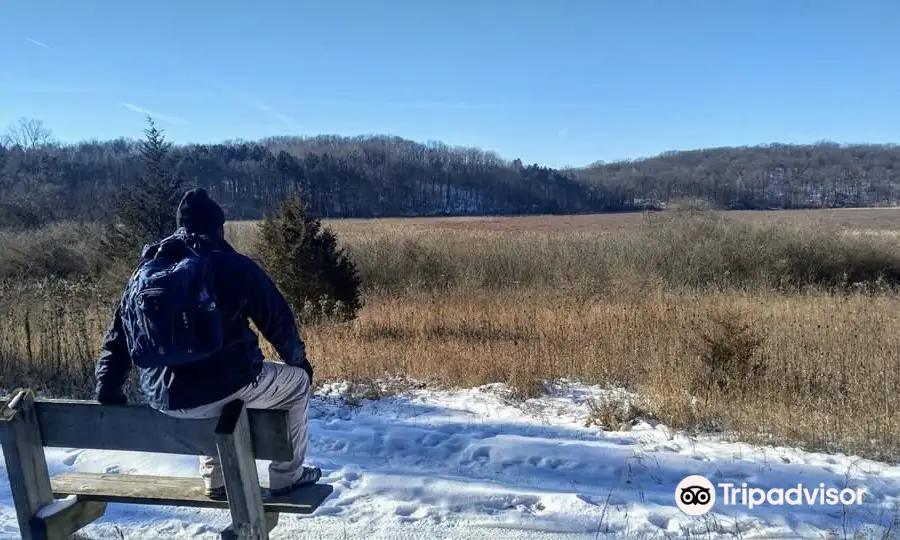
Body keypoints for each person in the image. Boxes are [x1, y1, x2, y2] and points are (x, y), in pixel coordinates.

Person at [94, 187, 321, 500]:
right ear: (218, 228)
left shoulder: (147, 273)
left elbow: (119, 336)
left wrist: (108, 388)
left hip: (164, 398)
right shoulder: (235, 266)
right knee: (295, 385)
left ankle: (216, 479)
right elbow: (277, 321)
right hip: (226, 385)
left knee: (207, 385)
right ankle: (288, 476)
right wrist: (299, 362)